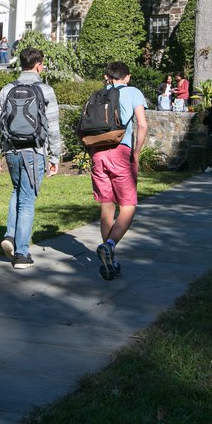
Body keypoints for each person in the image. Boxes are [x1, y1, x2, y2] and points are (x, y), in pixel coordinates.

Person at [0, 47, 61, 269]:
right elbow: (53, 128)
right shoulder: (45, 90)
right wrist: (55, 157)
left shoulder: (7, 89)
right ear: (39, 64)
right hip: (34, 151)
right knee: (27, 200)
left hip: (11, 151)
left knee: (17, 191)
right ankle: (21, 253)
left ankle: (10, 236)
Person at [90, 62, 147, 281]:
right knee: (128, 206)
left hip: (98, 153)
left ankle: (110, 262)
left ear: (107, 77)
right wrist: (137, 153)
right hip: (121, 152)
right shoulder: (133, 92)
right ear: (128, 77)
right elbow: (142, 125)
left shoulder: (99, 94)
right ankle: (110, 245)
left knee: (107, 205)